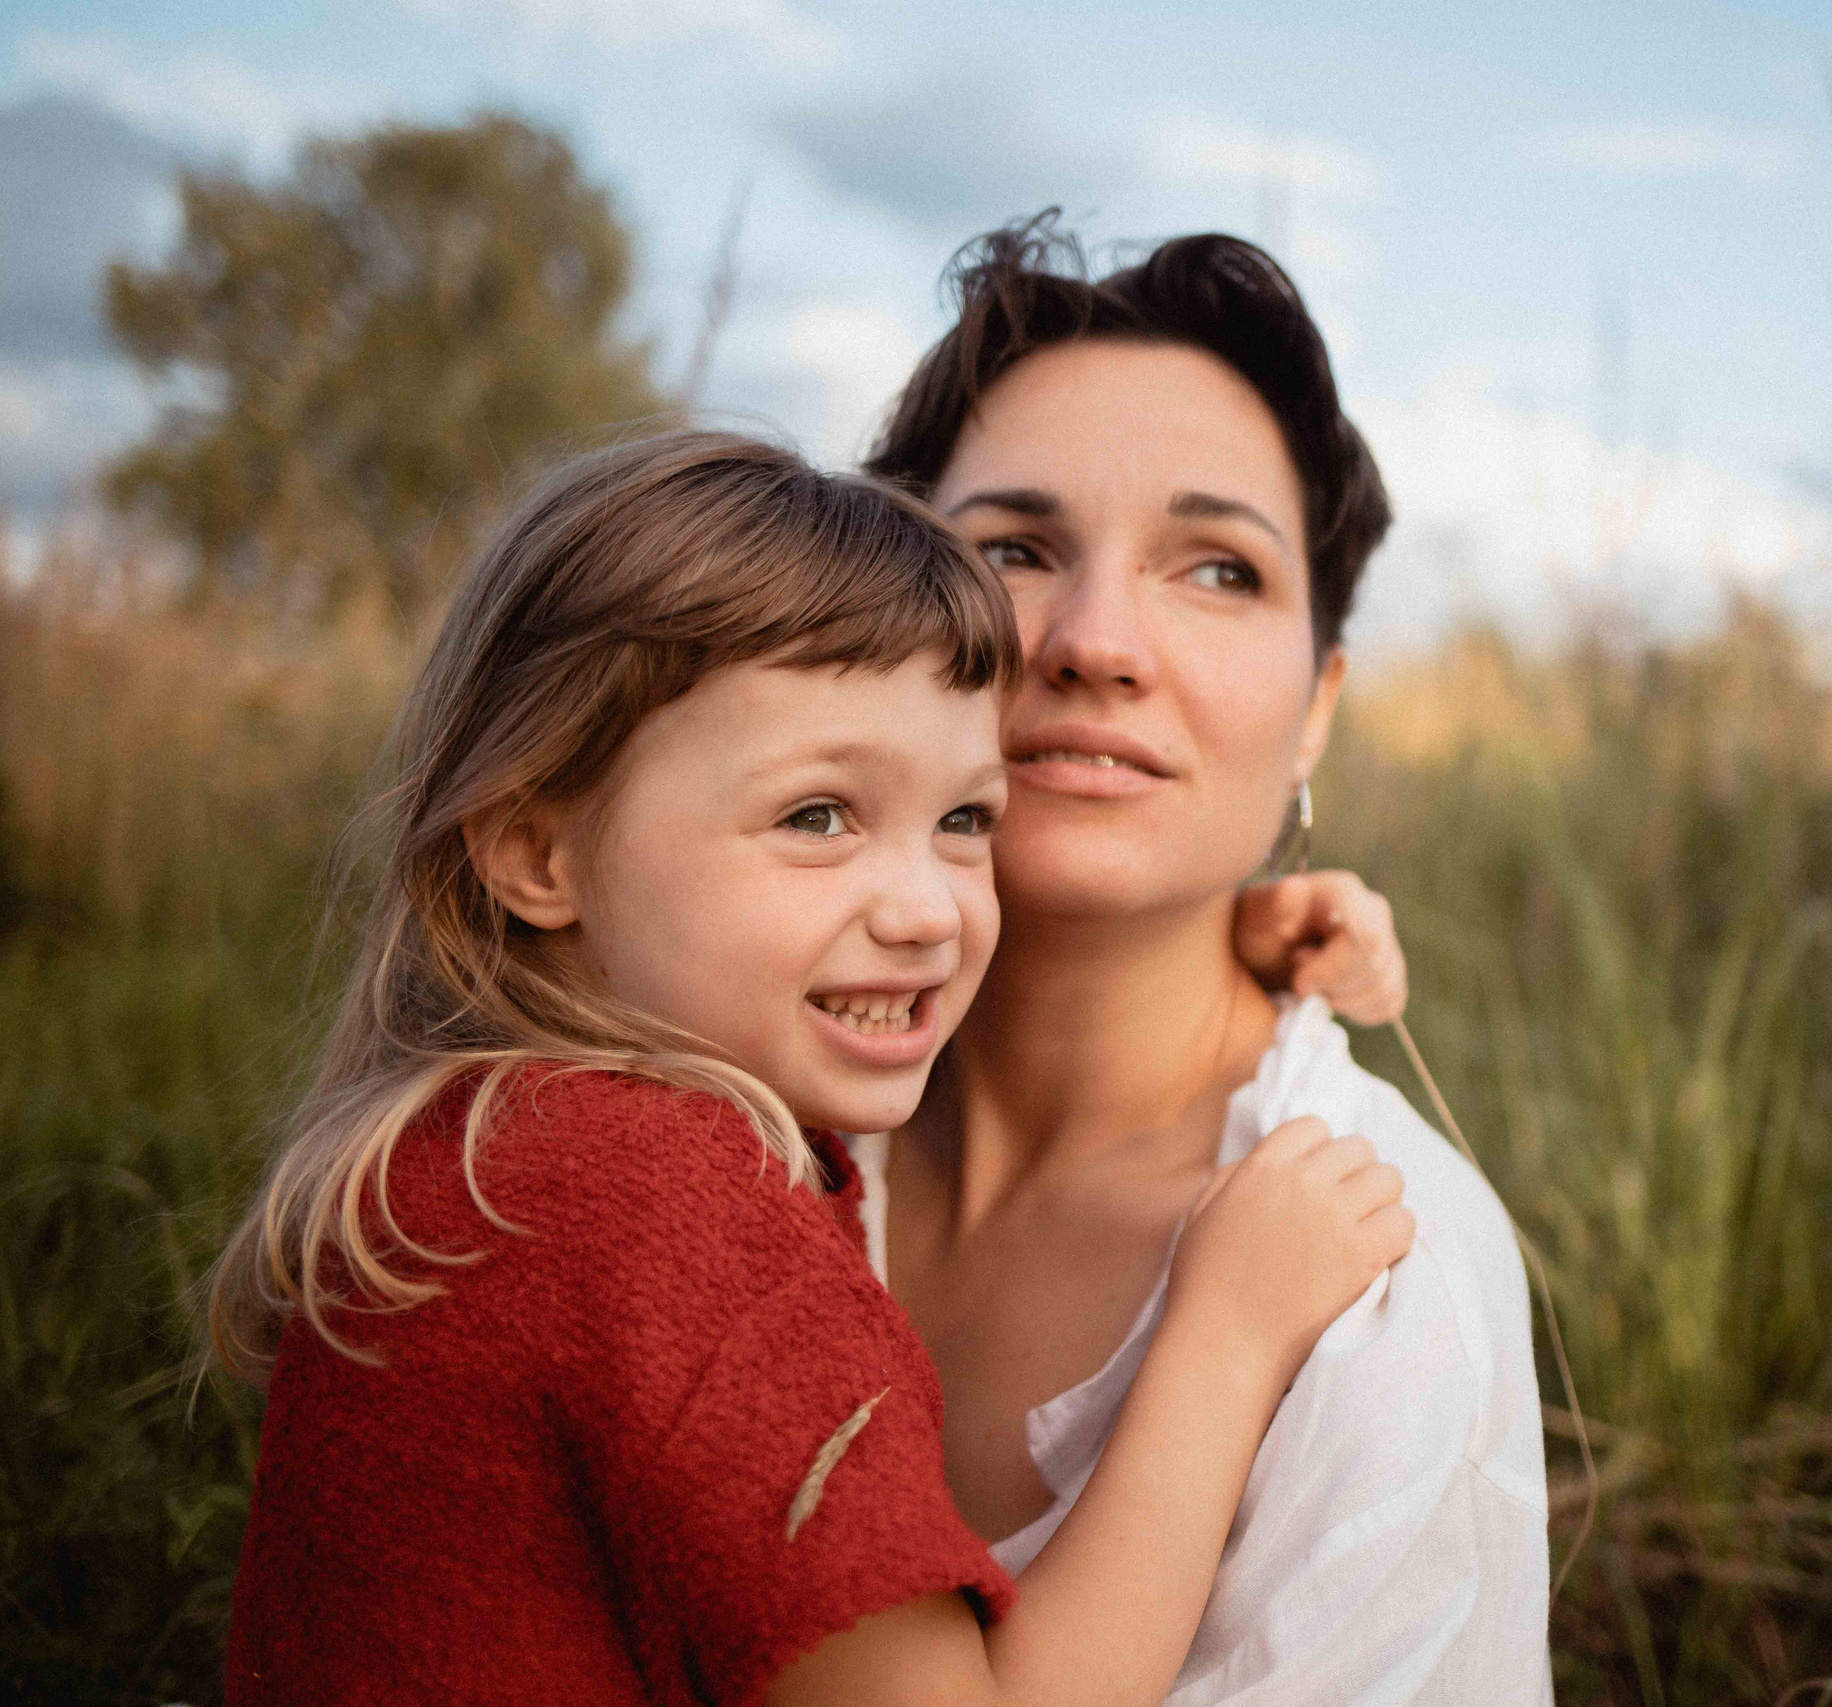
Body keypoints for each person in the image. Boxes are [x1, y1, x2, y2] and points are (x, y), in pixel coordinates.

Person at [205, 432, 1417, 1706]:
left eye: (964, 822)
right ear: (537, 853)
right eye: (817, 817)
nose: (928, 913)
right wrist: (1222, 1335)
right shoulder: (680, 1217)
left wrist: (1224, 931)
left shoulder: (477, 1150)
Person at [860, 218, 1552, 1704]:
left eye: (1220, 570)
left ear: (1317, 708)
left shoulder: (1375, 1270)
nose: (1098, 641)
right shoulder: (722, 1107)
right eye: (1014, 550)